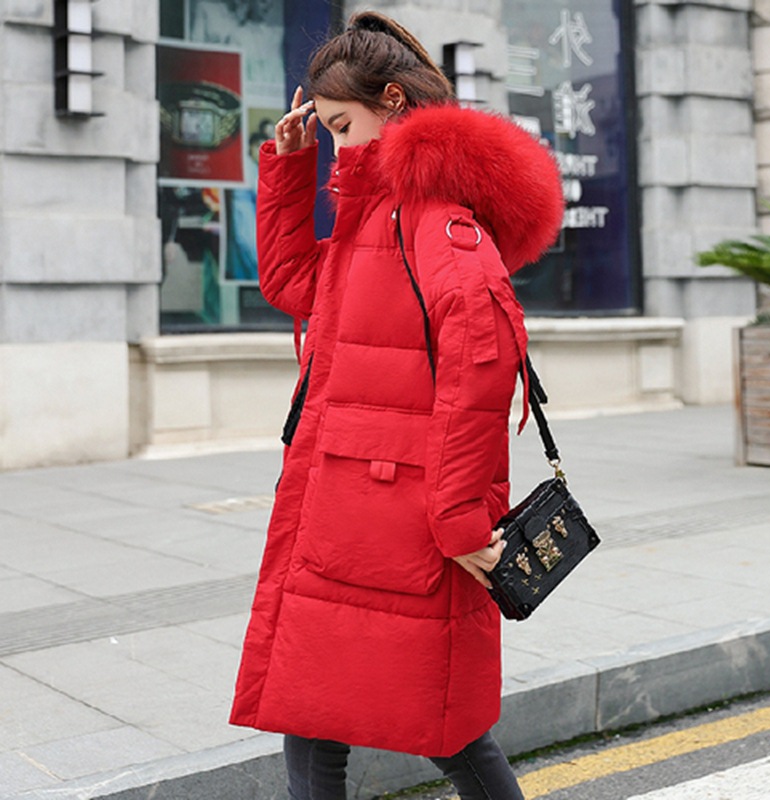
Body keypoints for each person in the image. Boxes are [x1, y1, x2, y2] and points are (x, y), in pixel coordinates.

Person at [230, 11, 563, 799]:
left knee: (444, 725)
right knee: (315, 704)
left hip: (397, 519)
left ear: (391, 100)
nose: (337, 144)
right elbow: (293, 284)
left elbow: (481, 376)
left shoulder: (437, 223)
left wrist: (461, 523)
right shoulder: (372, 215)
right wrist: (290, 166)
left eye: (342, 126)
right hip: (345, 506)